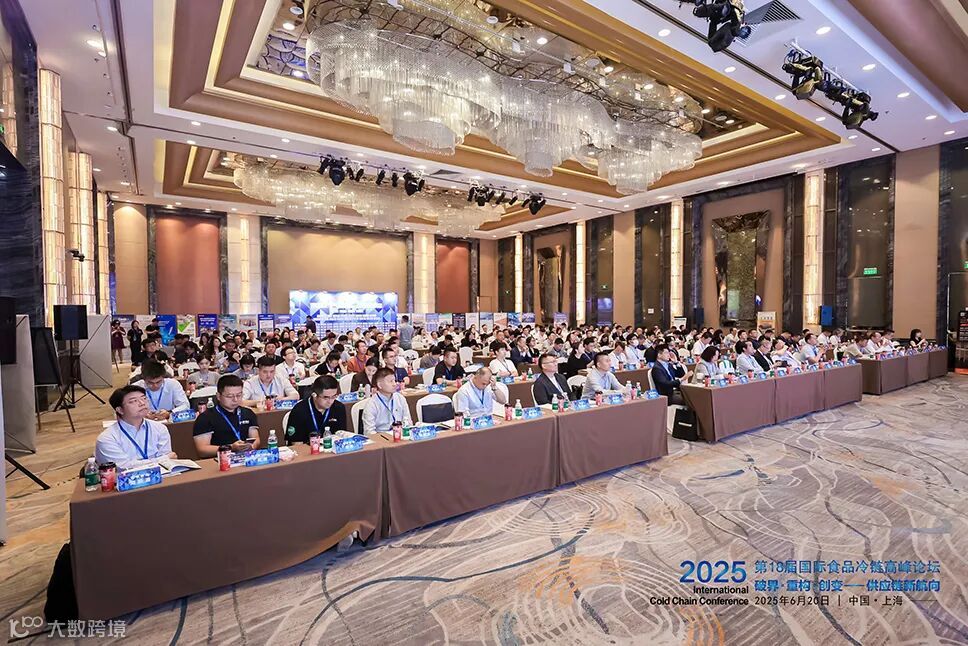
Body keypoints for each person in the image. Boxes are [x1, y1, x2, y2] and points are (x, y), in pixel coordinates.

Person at [95, 385, 176, 468]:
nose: (142, 403)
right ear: (120, 410)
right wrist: (161, 460)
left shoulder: (159, 428)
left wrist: (164, 459)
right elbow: (122, 467)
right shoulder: (107, 438)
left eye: (144, 398)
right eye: (134, 401)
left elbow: (167, 463)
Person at [192, 374, 260, 458]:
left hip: (246, 458)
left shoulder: (248, 413)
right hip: (219, 460)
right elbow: (202, 450)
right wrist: (230, 448)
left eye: (239, 395)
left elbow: (256, 439)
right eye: (230, 396)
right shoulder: (205, 418)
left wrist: (251, 446)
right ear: (218, 396)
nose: (235, 399)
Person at [284, 375, 348, 444]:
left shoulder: (339, 407)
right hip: (307, 449)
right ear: (314, 395)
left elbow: (342, 436)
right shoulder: (299, 411)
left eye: (334, 396)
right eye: (326, 397)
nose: (330, 401)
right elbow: (296, 444)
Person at [361, 367, 412, 434]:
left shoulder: (400, 398)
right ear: (379, 385)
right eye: (390, 381)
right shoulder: (371, 404)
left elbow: (408, 422)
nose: (394, 384)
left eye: (394, 380)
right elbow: (369, 432)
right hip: (380, 437)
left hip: (400, 435)